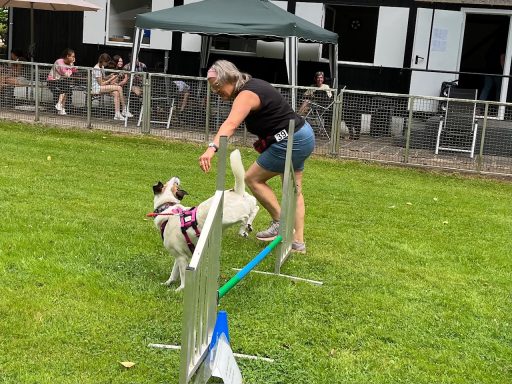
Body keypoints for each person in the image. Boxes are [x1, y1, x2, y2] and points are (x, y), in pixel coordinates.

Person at [199, 60, 315, 254]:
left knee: (252, 179)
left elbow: (230, 124)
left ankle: (280, 222)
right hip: (302, 134)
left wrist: (212, 148)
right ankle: (297, 243)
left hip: (290, 140)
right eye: (212, 89)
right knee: (294, 190)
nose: (216, 92)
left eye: (217, 87)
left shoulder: (246, 94)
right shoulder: (251, 86)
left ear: (230, 78)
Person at [91, 53, 133, 120]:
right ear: (103, 61)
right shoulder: (96, 69)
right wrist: (111, 79)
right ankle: (124, 109)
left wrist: (110, 76)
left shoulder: (101, 67)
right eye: (107, 62)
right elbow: (101, 83)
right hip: (97, 88)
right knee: (119, 88)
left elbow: (104, 78)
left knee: (116, 93)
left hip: (101, 87)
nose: (107, 64)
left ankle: (117, 114)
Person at [47, 48, 77, 116]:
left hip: (61, 82)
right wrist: (71, 67)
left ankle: (60, 106)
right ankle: (60, 106)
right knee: (66, 86)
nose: (73, 58)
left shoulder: (70, 63)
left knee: (67, 88)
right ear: (67, 56)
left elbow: (75, 71)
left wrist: (72, 64)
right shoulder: (59, 61)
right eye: (72, 56)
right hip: (52, 81)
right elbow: (66, 74)